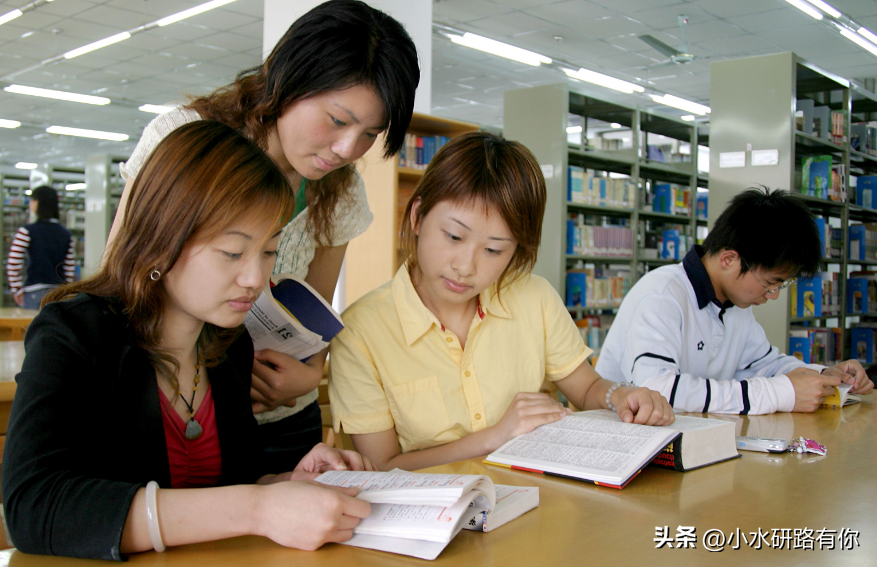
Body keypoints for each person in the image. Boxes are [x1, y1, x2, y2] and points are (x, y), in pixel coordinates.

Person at [1, 121, 375, 561]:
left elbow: (227, 490)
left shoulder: (229, 344)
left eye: (269, 252)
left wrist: (285, 485)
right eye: (232, 252)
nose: (255, 278)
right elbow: (33, 507)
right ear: (163, 237)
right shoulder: (75, 332)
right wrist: (257, 507)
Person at [106, 0, 420, 472]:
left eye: (369, 134)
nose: (346, 149)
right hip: (173, 404)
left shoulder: (340, 189)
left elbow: (312, 316)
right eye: (338, 120)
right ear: (290, 81)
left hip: (282, 416)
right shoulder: (184, 139)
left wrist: (309, 375)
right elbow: (117, 281)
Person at [327, 132, 674, 472]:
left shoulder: (534, 297)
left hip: (536, 496)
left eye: (493, 250)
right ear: (418, 216)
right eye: (454, 236)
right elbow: (383, 467)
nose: (466, 267)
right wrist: (495, 437)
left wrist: (621, 396)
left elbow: (587, 389)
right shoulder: (360, 331)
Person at [595, 187, 874, 415]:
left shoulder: (733, 305)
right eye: (770, 283)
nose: (774, 295)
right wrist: (779, 394)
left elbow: (763, 364)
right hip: (627, 440)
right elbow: (657, 390)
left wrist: (824, 375)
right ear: (729, 259)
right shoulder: (662, 296)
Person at [6, 185, 75, 309]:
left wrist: (17, 290)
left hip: (34, 292)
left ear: (36, 202)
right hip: (58, 293)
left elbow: (13, 262)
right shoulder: (66, 234)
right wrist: (67, 292)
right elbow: (69, 267)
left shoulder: (26, 231)